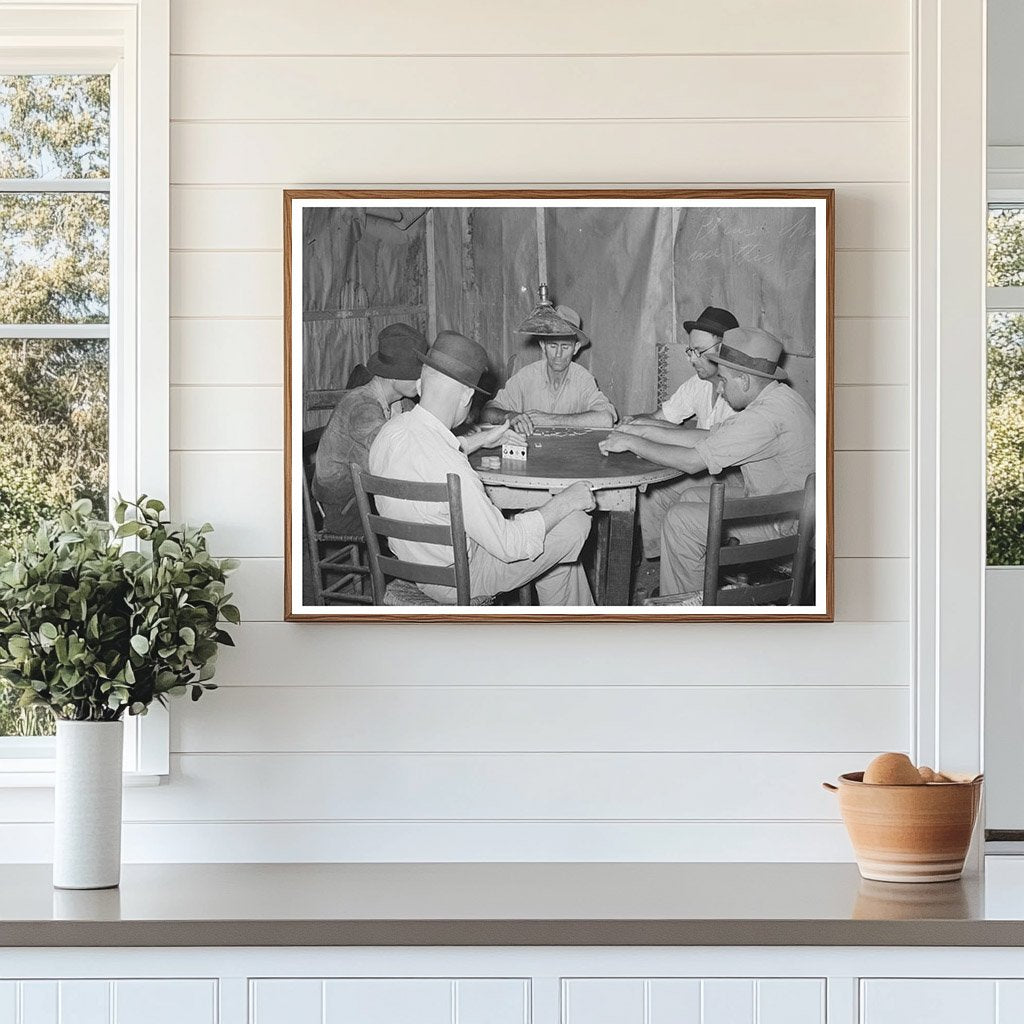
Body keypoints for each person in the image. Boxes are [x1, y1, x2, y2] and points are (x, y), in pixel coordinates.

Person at [369, 331, 597, 606]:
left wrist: (483, 439)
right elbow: (508, 546)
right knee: (574, 522)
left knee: (545, 528)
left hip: (413, 567)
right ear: (466, 396)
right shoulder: (453, 469)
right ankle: (580, 626)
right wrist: (567, 500)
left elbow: (432, 453)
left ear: (420, 384)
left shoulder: (389, 433)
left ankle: (569, 620)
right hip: (459, 580)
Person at [599, 327, 814, 598]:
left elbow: (692, 461)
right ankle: (690, 582)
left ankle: (688, 609)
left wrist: (632, 443)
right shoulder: (778, 398)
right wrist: (644, 430)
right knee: (690, 495)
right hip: (783, 504)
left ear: (745, 380)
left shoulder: (763, 417)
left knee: (681, 521)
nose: (720, 389)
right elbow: (712, 437)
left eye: (723, 380)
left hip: (784, 523)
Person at [622, 305, 742, 559]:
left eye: (698, 352)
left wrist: (641, 434)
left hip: (736, 477)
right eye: (690, 350)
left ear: (724, 351)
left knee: (674, 497)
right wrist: (634, 421)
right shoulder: (698, 383)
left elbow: (708, 446)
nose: (690, 359)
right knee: (652, 492)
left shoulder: (741, 390)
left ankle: (699, 563)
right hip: (704, 467)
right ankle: (664, 564)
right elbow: (662, 418)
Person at [313, 322, 427, 535]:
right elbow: (395, 457)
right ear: (394, 375)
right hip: (346, 508)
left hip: (367, 495)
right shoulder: (362, 406)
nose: (422, 381)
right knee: (421, 519)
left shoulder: (399, 401)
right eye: (416, 374)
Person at [479, 305, 616, 435]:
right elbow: (487, 413)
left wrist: (548, 419)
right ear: (543, 345)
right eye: (553, 345)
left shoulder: (583, 379)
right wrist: (510, 416)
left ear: (576, 348)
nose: (558, 354)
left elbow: (606, 419)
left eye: (565, 347)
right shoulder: (526, 377)